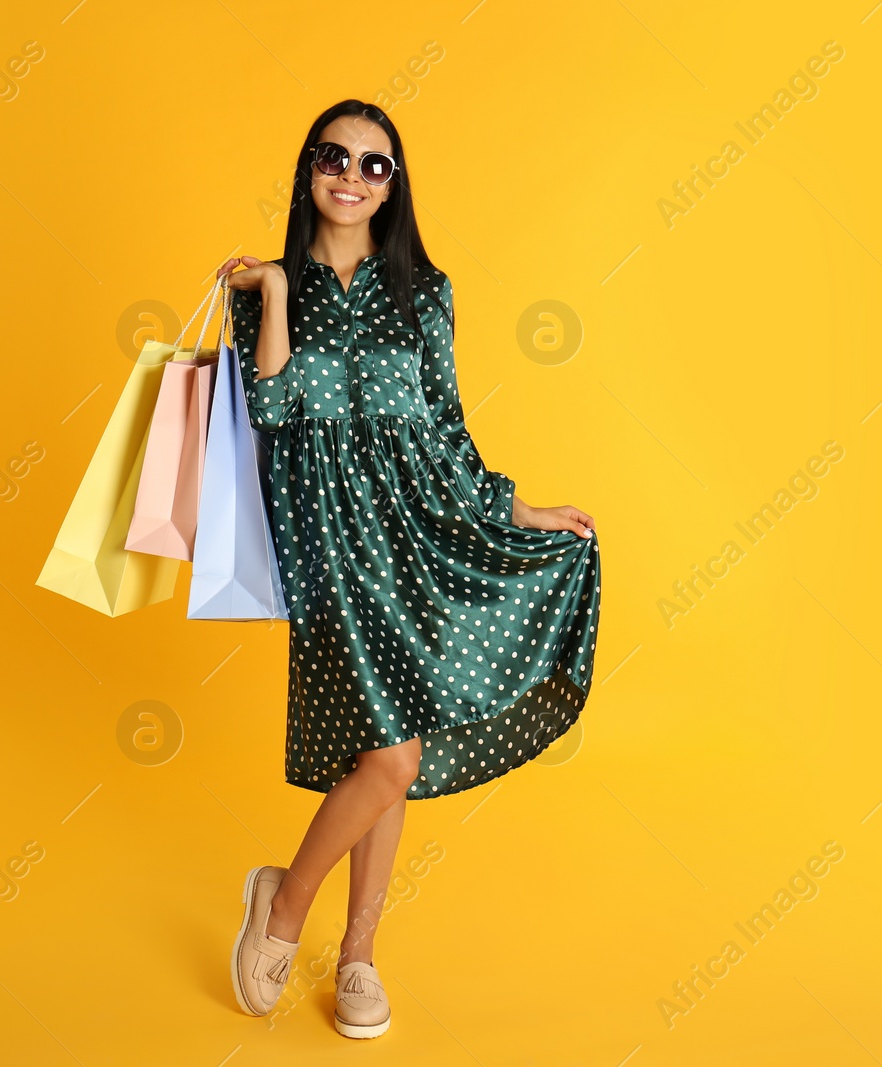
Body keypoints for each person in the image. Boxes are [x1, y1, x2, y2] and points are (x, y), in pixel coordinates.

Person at [219, 99, 602, 1040]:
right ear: (309, 169)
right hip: (327, 543)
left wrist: (516, 506)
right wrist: (272, 292)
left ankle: (358, 954)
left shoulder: (424, 290)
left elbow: (444, 424)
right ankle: (281, 907)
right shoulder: (266, 288)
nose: (352, 175)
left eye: (374, 165)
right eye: (333, 157)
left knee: (394, 751)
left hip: (417, 528)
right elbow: (269, 416)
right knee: (389, 753)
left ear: (395, 185)